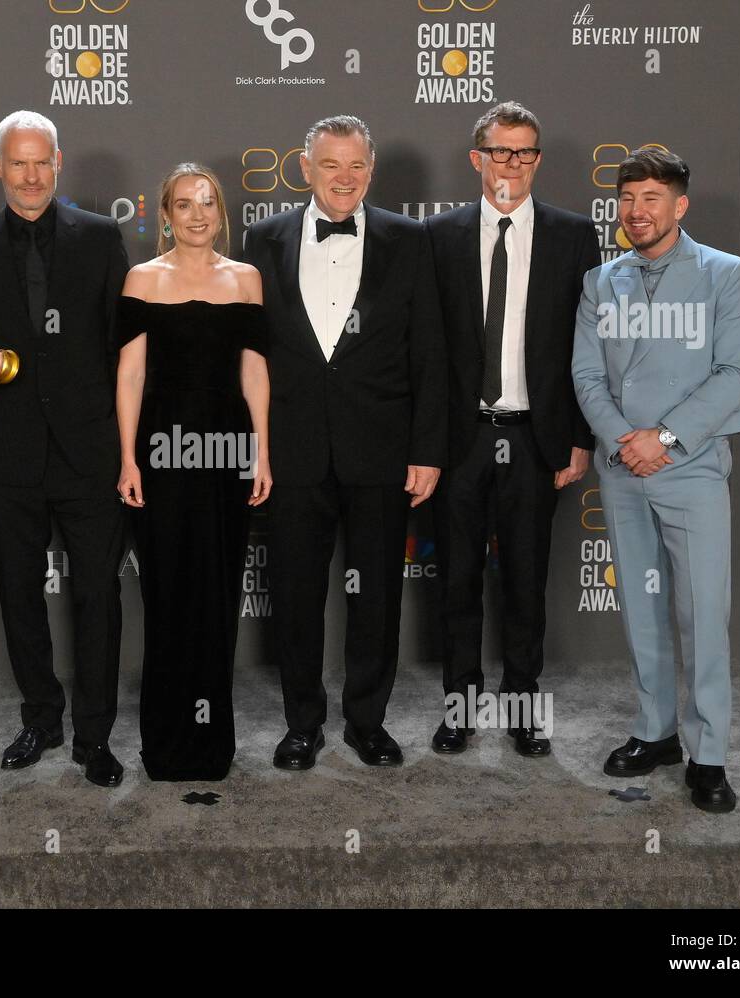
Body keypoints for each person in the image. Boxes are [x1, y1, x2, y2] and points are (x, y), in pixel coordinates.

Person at [242, 115, 446, 770]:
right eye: (331, 165)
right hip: (294, 450)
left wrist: (427, 449)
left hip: (381, 451)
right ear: (305, 168)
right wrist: (256, 445)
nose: (345, 179)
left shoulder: (408, 239)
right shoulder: (264, 239)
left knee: (377, 595)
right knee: (297, 595)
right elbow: (252, 353)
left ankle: (367, 721)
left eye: (357, 166)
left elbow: (430, 355)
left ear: (371, 170)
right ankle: (302, 724)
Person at [572, 147, 740, 813]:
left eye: (651, 198)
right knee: (643, 611)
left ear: (680, 205)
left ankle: (708, 754)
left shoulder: (728, 276)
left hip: (693, 467)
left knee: (701, 613)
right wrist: (626, 440)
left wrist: (665, 437)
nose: (636, 211)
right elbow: (586, 375)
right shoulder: (602, 281)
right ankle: (656, 733)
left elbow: (734, 373)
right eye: (626, 198)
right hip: (623, 467)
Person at [0, 110, 130, 787]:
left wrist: (127, 448)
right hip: (7, 454)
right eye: (17, 162)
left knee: (98, 596)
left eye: (41, 161)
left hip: (91, 453)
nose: (30, 175)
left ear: (59, 162)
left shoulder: (103, 238)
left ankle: (94, 735)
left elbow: (124, 349)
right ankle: (41, 719)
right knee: (21, 594)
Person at [422, 101, 600, 757]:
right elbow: (427, 352)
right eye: (500, 151)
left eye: (524, 153)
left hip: (535, 439)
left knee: (526, 586)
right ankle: (461, 710)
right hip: (460, 441)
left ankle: (525, 710)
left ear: (537, 161)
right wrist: (424, 447)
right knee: (458, 584)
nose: (512, 164)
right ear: (477, 158)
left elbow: (590, 346)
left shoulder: (574, 235)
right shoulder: (438, 237)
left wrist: (579, 437)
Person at [115, 164, 272, 781]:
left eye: (208, 203)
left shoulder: (248, 280)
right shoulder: (142, 280)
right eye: (185, 205)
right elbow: (130, 375)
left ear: (220, 212)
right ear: (165, 214)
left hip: (227, 452)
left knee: (216, 591)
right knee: (167, 593)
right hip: (161, 451)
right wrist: (127, 456)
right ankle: (166, 743)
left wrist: (263, 448)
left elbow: (254, 371)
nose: (198, 215)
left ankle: (211, 744)